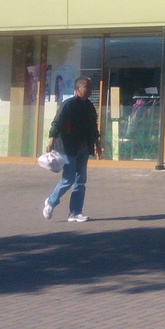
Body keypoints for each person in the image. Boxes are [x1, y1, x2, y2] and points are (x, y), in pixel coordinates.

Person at [42, 77, 102, 222]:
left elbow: (93, 128)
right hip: (67, 148)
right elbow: (57, 123)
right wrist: (51, 141)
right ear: (78, 88)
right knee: (68, 179)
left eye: (91, 87)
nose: (90, 89)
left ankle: (75, 213)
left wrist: (97, 144)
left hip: (83, 148)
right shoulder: (68, 104)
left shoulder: (90, 107)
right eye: (87, 86)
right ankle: (51, 201)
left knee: (80, 181)